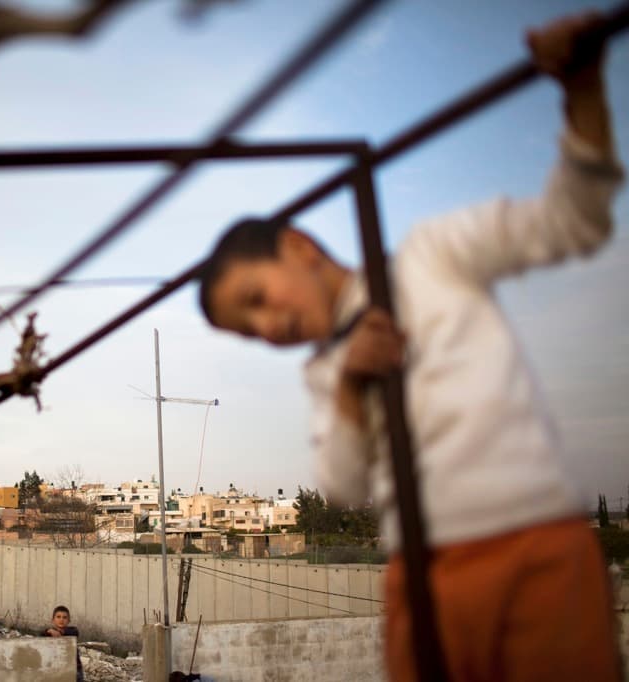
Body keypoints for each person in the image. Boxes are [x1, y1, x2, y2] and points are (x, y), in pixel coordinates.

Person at [197, 11, 623, 682]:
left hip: (534, 542)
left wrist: (583, 91)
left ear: (299, 246)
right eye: (248, 331)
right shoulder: (324, 370)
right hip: (421, 575)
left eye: (256, 298)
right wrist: (350, 385)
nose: (267, 328)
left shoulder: (432, 256)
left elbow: (575, 221)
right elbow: (343, 485)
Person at [44, 605, 84, 681]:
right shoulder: (49, 633)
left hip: (74, 669)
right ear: (53, 620)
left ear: (69, 621)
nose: (61, 620)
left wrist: (59, 632)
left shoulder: (72, 631)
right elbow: (41, 635)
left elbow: (74, 632)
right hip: (56, 669)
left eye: (64, 617)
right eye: (58, 617)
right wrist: (48, 631)